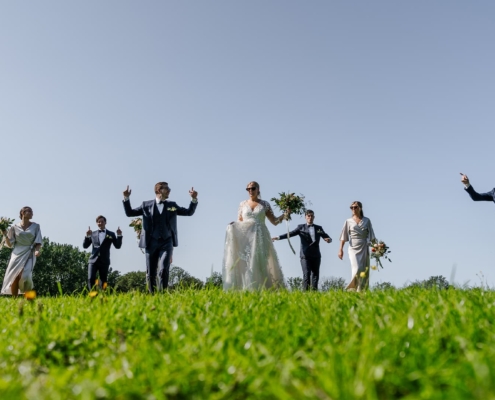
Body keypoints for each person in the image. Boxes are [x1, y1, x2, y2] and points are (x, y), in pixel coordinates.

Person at [123, 182, 198, 293]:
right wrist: (126, 198)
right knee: (151, 272)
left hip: (167, 242)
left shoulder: (172, 205)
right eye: (167, 188)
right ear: (158, 190)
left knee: (164, 269)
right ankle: (152, 296)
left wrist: (193, 200)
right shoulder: (146, 205)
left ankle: (163, 295)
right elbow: (129, 213)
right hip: (150, 242)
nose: (169, 190)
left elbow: (189, 212)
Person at [222, 181, 286, 290]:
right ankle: (248, 289)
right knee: (248, 263)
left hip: (261, 236)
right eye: (248, 189)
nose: (250, 191)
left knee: (261, 262)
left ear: (258, 189)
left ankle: (265, 289)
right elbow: (240, 222)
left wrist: (285, 215)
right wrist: (234, 225)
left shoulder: (265, 204)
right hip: (246, 237)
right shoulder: (242, 204)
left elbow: (274, 221)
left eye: (253, 188)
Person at [272, 210, 332, 291]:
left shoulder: (318, 228)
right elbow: (290, 234)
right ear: (305, 217)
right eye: (308, 216)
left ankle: (314, 294)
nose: (310, 218)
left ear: (314, 217)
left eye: (311, 216)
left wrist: (328, 239)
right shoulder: (301, 227)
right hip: (305, 255)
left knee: (315, 275)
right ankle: (305, 293)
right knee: (306, 274)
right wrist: (278, 237)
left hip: (316, 255)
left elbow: (326, 236)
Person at [1, 206, 42, 296]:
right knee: (14, 276)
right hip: (17, 254)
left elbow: (38, 241)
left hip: (29, 253)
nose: (32, 213)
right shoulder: (14, 227)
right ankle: (15, 300)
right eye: (29, 211)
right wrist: (5, 234)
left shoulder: (36, 226)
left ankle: (29, 298)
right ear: (23, 213)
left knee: (26, 276)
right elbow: (9, 244)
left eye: (32, 212)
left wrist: (37, 250)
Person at [338, 201, 375, 292]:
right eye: (352, 207)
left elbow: (372, 236)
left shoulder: (367, 220)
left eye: (355, 207)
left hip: (364, 246)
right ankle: (350, 289)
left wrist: (377, 247)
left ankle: (360, 291)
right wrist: (340, 249)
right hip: (353, 247)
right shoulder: (348, 221)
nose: (353, 209)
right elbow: (344, 236)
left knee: (363, 269)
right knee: (357, 268)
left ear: (360, 208)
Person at [83, 215, 123, 290]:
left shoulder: (111, 234)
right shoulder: (93, 234)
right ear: (97, 223)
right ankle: (92, 296)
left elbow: (117, 246)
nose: (100, 223)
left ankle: (103, 297)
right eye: (98, 222)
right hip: (93, 260)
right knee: (91, 278)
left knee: (103, 280)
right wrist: (87, 236)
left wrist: (119, 235)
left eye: (102, 221)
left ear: (105, 222)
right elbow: (85, 246)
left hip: (104, 260)